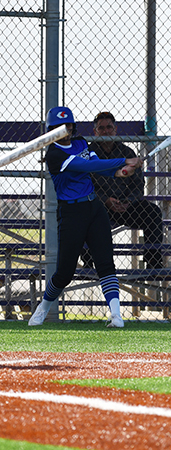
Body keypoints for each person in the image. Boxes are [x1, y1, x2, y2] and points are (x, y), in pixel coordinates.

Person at [29, 106, 142, 328]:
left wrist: (121, 171)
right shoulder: (54, 155)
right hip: (71, 213)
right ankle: (42, 309)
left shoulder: (80, 142)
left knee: (105, 264)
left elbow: (97, 166)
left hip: (94, 208)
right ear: (51, 130)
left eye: (69, 125)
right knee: (65, 272)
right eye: (59, 127)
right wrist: (123, 161)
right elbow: (88, 165)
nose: (66, 130)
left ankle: (116, 315)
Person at [83, 111, 164, 270]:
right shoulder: (88, 154)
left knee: (153, 212)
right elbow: (85, 186)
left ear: (115, 129)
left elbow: (138, 184)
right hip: (100, 206)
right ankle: (89, 263)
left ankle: (153, 263)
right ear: (95, 132)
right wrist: (105, 200)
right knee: (83, 213)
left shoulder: (127, 153)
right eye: (101, 128)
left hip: (127, 206)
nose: (106, 131)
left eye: (109, 127)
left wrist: (128, 202)